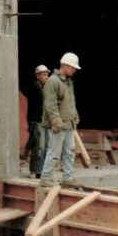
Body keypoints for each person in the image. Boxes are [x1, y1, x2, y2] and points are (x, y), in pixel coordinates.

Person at [39, 52, 81, 187]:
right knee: (54, 152)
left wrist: (74, 115)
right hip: (59, 124)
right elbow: (50, 104)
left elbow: (70, 102)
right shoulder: (53, 81)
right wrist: (55, 120)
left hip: (68, 123)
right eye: (73, 67)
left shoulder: (68, 82)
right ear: (65, 65)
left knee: (70, 151)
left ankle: (68, 178)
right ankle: (45, 178)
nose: (74, 70)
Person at [20, 64, 50, 178]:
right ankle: (36, 171)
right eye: (44, 74)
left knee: (45, 147)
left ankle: (40, 170)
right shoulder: (35, 87)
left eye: (47, 74)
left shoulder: (44, 87)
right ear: (37, 76)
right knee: (39, 147)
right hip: (36, 120)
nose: (46, 76)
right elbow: (42, 100)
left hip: (44, 120)